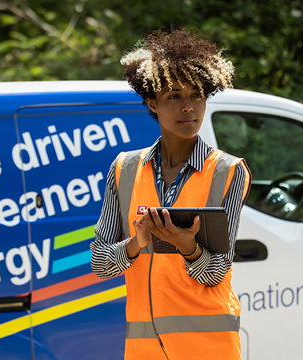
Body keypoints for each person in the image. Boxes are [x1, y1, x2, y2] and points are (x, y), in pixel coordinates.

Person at [90, 28, 251, 360]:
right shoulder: (124, 169)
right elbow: (101, 264)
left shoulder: (229, 172)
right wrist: (136, 243)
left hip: (209, 347)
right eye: (174, 96)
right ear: (152, 102)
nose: (188, 108)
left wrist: (187, 246)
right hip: (145, 348)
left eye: (196, 96)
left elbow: (216, 271)